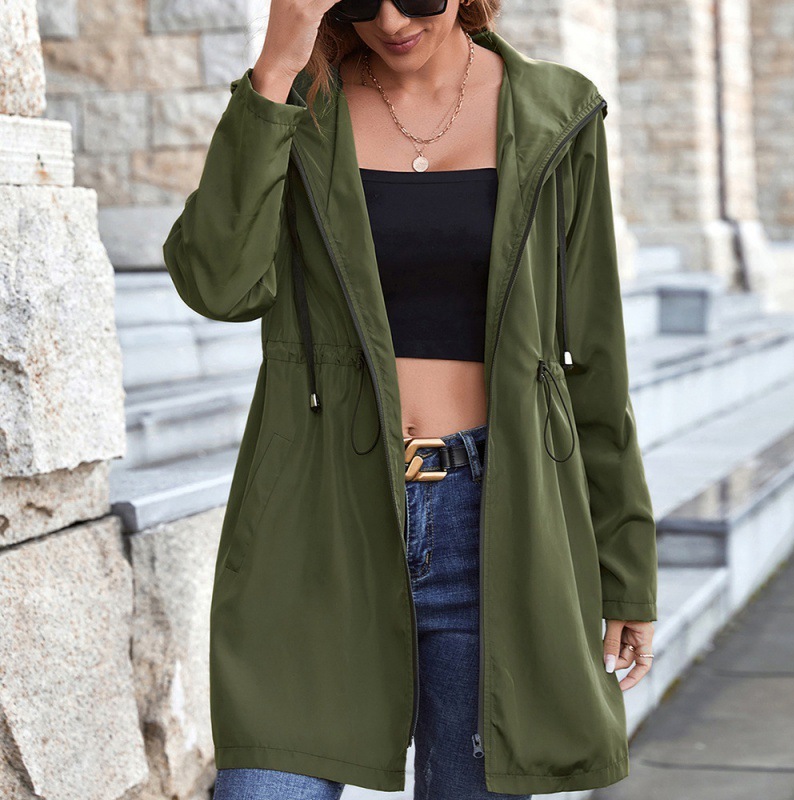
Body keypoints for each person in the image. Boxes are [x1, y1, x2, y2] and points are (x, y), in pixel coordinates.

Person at [162, 0, 659, 798]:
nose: (391, 20)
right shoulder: (296, 109)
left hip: (495, 526)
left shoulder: (557, 112)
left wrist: (625, 566)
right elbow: (218, 284)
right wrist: (275, 68)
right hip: (317, 516)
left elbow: (593, 357)